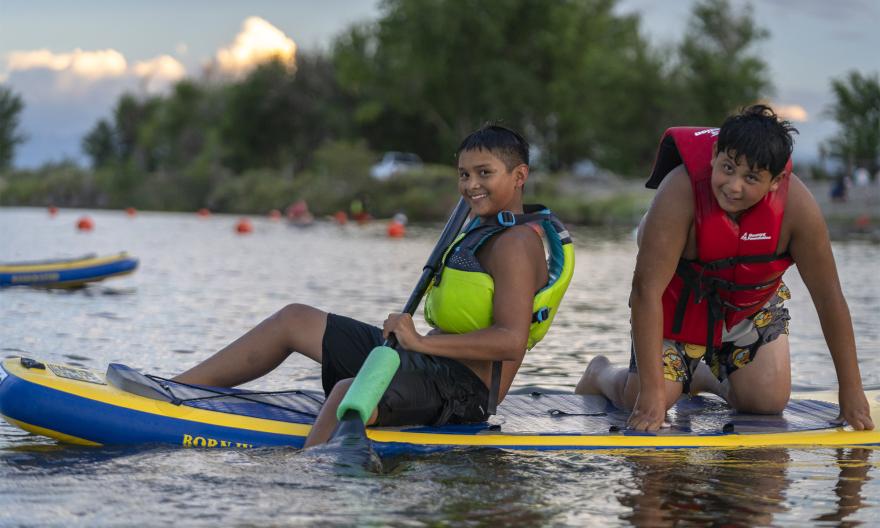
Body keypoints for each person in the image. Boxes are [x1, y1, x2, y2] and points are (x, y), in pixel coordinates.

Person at [174, 125, 574, 446]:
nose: (470, 185)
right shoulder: (482, 228)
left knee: (349, 391)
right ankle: (171, 394)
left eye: (484, 173)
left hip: (464, 392)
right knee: (293, 320)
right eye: (464, 174)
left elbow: (510, 341)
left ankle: (308, 479)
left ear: (519, 176)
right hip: (422, 362)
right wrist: (416, 347)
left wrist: (419, 343)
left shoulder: (518, 245)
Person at [576, 105, 874, 432]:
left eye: (750, 178)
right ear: (715, 154)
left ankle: (703, 375)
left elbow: (829, 298)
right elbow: (645, 292)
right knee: (646, 400)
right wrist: (651, 393)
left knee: (767, 403)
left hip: (748, 306)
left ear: (776, 181)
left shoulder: (798, 211)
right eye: (728, 168)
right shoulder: (679, 193)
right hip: (679, 306)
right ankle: (600, 372)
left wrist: (851, 388)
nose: (733, 186)